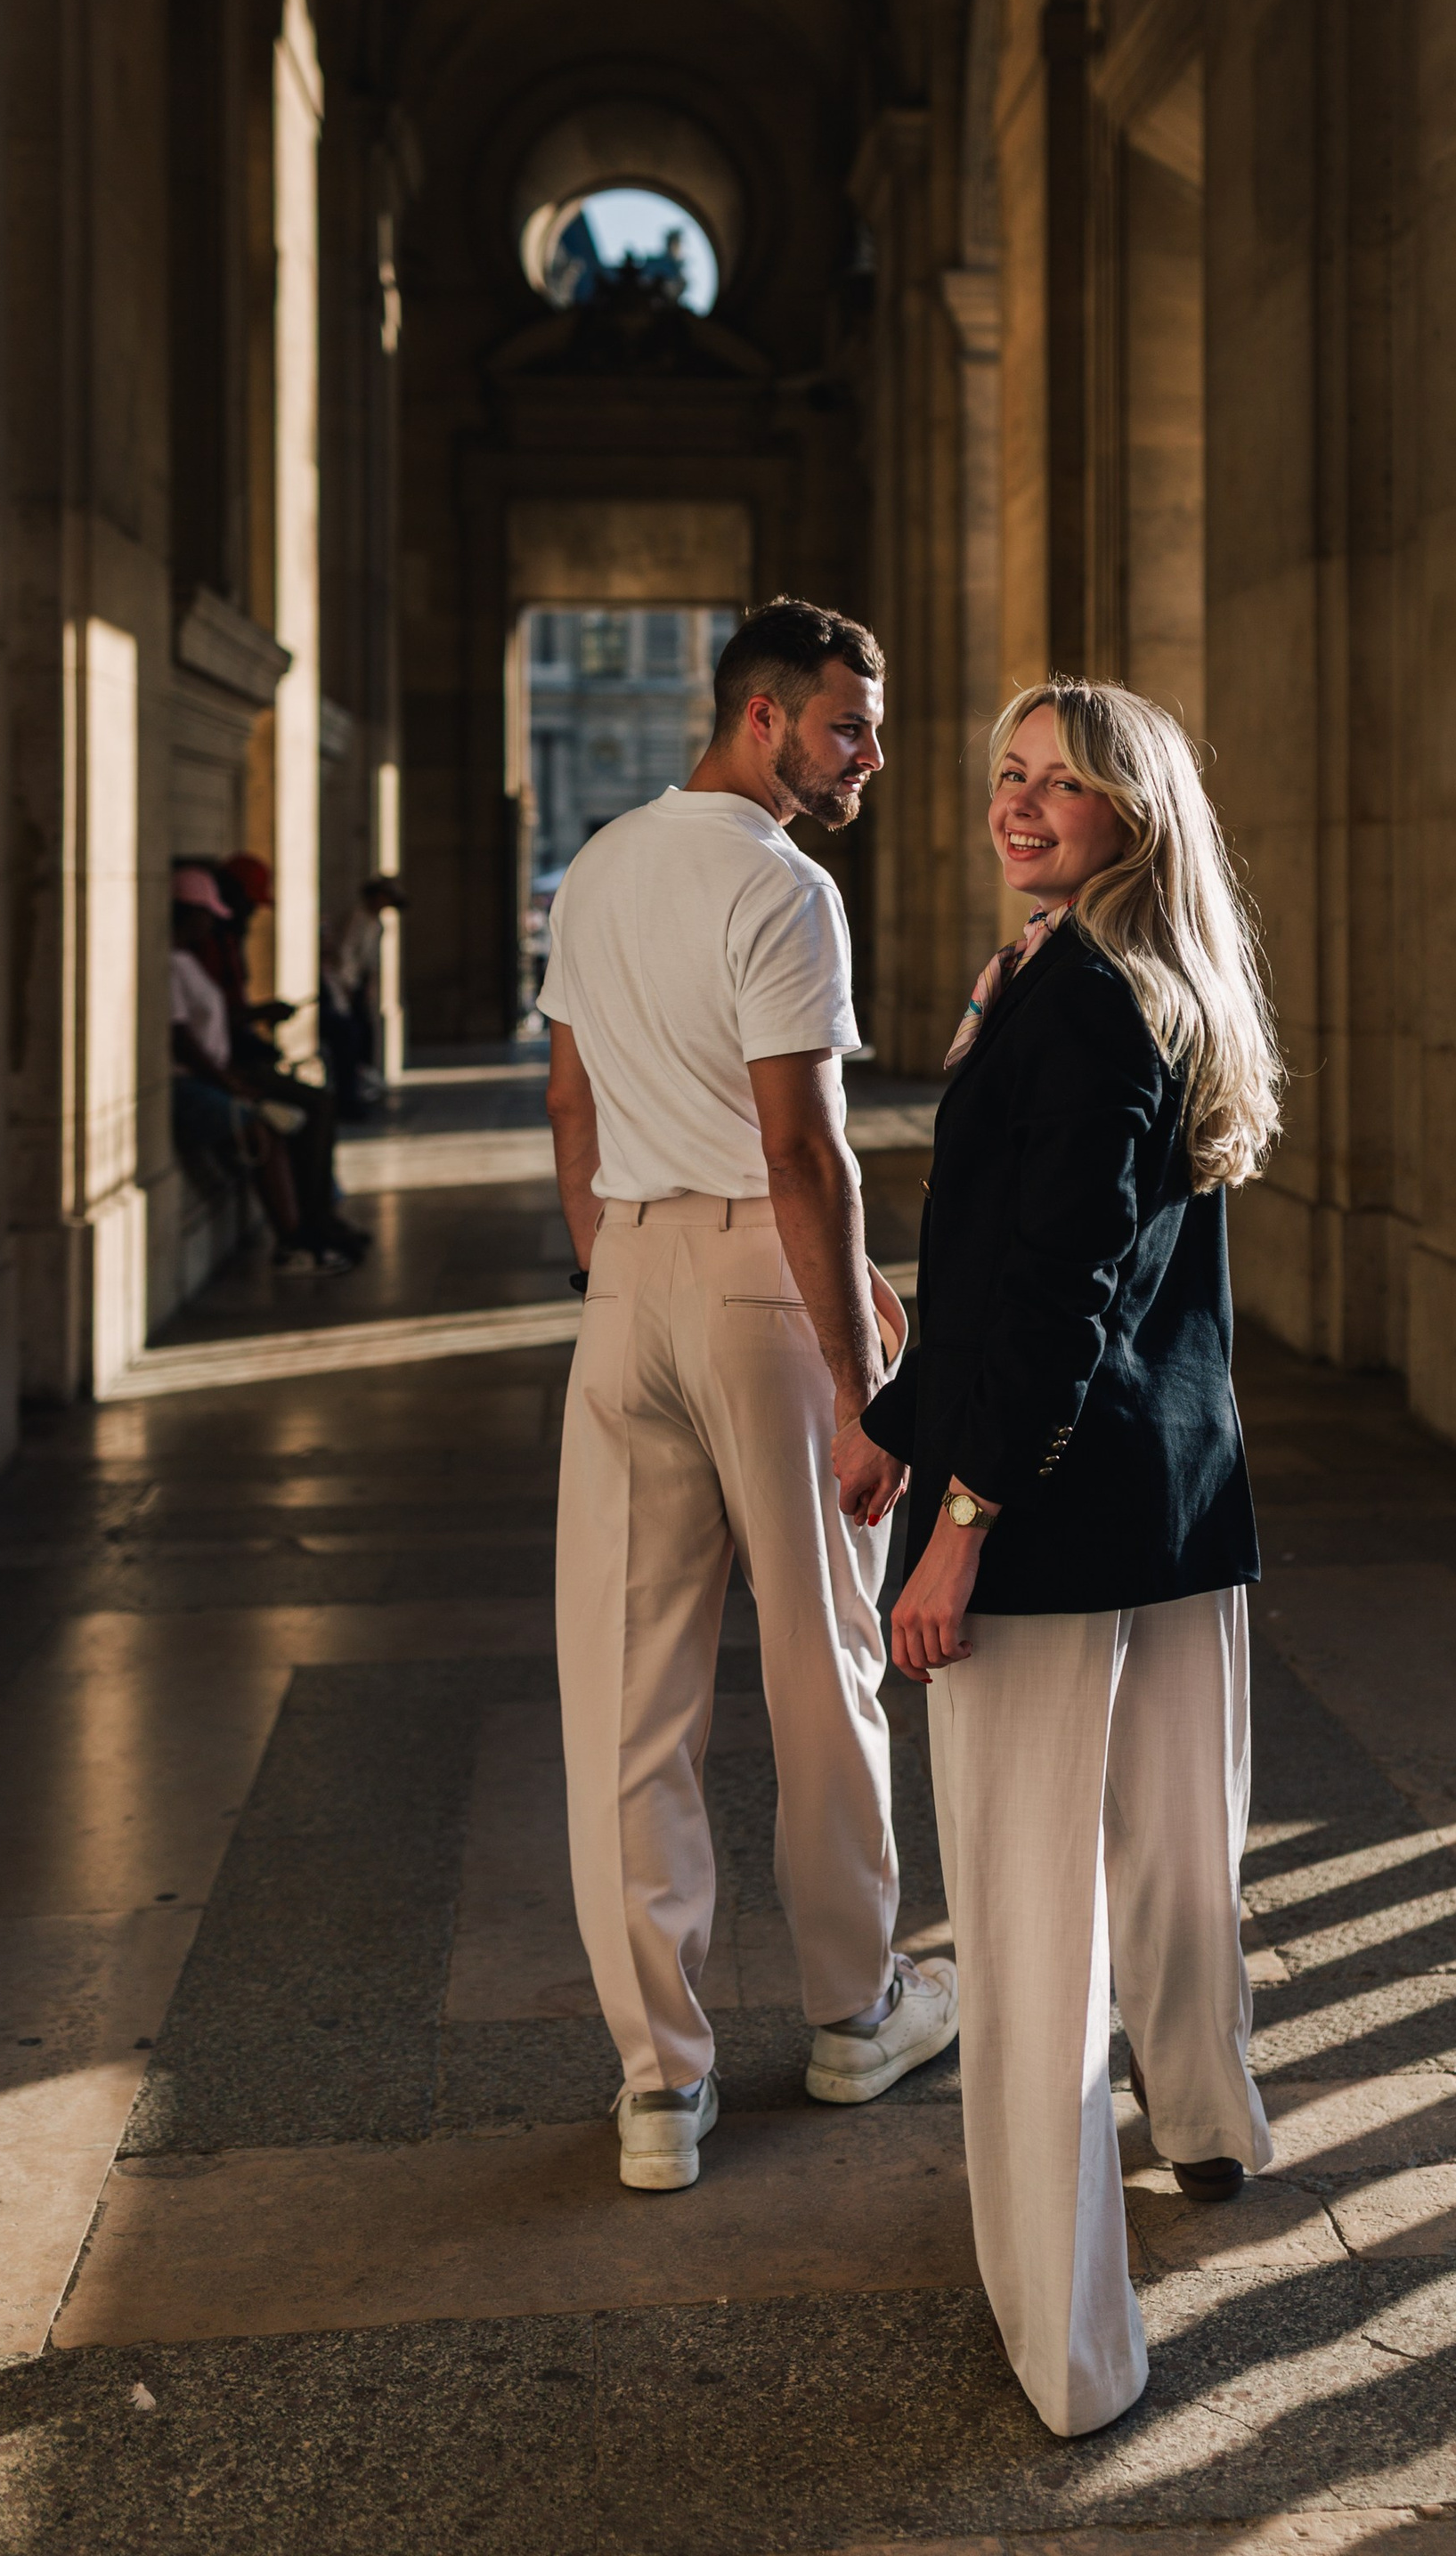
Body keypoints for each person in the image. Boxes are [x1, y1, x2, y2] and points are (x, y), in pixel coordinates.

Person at [858, 680, 1282, 2438]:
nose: (1019, 805)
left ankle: (1068, 2341)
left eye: (1062, 784)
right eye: (1006, 775)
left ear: (1133, 809)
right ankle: (1209, 2125)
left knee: (1028, 1935)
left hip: (1043, 1502)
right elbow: (1041, 1280)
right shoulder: (1149, 979)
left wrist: (951, 1521)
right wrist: (893, 1412)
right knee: (1180, 1857)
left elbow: (1052, 1296)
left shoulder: (1082, 1000)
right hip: (1175, 1494)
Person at [543, 595, 957, 2195]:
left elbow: (572, 1099)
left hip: (628, 1278)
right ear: (766, 718)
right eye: (850, 728)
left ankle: (658, 2087)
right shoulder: (781, 885)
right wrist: (864, 1381)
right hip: (753, 1285)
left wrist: (614, 1267)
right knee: (825, 1660)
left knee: (627, 1703)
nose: (869, 760)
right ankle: (857, 2010)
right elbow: (805, 1152)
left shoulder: (603, 861)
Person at [200, 851, 366, 1270]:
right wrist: (257, 1019)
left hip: (233, 1058)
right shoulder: (202, 950)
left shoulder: (225, 943)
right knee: (312, 1106)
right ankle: (308, 1226)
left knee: (316, 1101)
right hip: (222, 1068)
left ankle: (320, 1216)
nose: (254, 912)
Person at [167, 866, 302, 1250]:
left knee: (283, 1121)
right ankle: (292, 1241)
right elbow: (181, 1039)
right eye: (207, 914)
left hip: (211, 1075)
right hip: (190, 1082)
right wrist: (228, 1083)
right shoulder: (169, 965)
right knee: (262, 1131)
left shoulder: (188, 959)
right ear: (192, 913)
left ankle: (309, 1226)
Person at [321, 873, 403, 1118]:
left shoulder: (376, 923)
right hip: (342, 985)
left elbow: (369, 962)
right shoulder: (356, 918)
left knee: (364, 1036)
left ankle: (361, 1088)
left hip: (357, 986)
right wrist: (347, 986)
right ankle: (349, 1095)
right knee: (350, 1037)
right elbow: (344, 955)